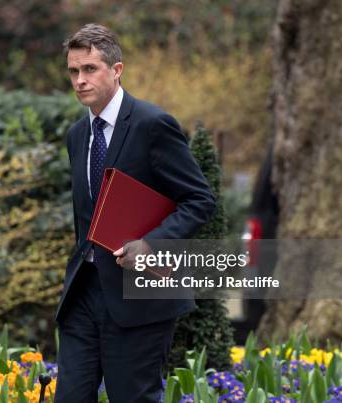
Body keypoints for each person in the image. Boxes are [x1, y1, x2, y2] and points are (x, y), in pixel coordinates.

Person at [55, 23, 216, 402]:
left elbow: (199, 199)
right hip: (84, 292)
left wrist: (151, 244)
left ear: (117, 70)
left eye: (90, 69)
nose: (80, 80)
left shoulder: (152, 125)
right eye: (74, 71)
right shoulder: (77, 135)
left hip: (139, 295)